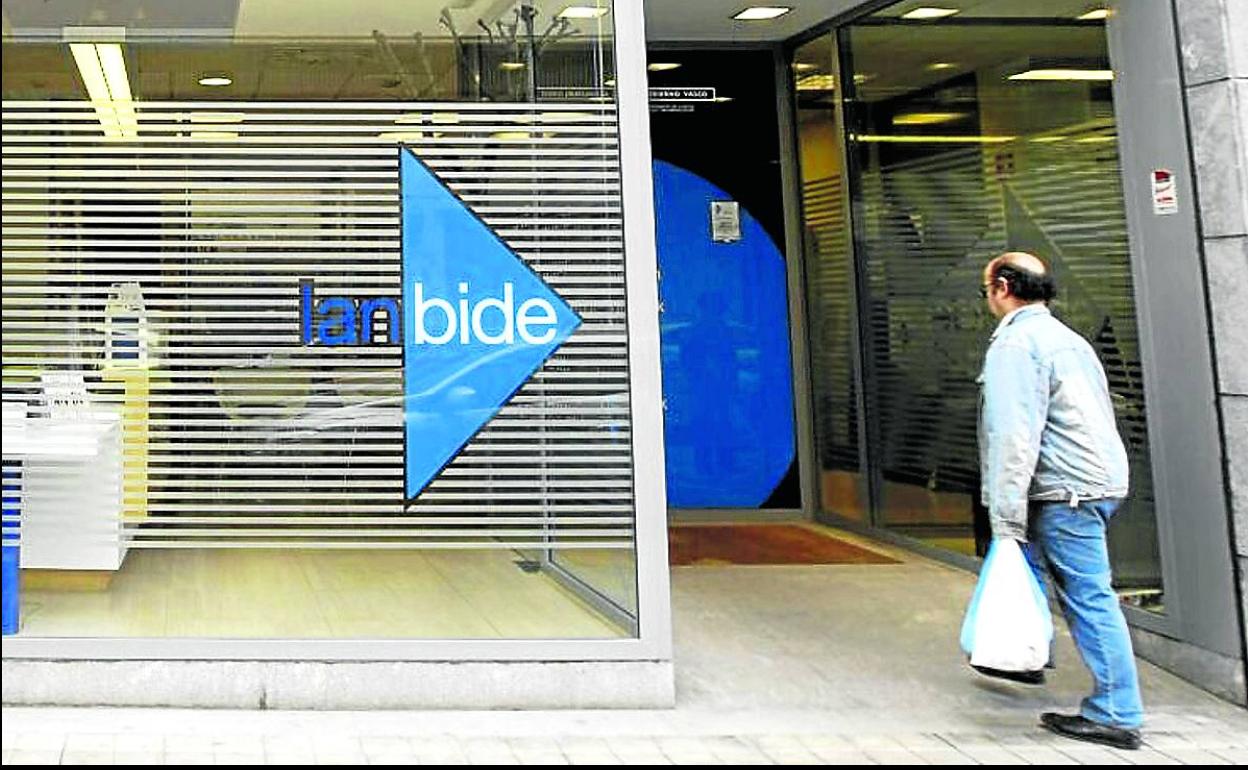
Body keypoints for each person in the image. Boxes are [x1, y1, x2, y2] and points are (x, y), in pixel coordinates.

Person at [977, 252, 1144, 751]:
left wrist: (1004, 518)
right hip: (1093, 482)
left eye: (985, 290)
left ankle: (1116, 711)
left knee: (1089, 596)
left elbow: (1014, 435)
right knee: (1040, 575)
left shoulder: (1016, 344)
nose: (987, 299)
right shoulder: (1067, 339)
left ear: (1003, 287)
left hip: (1064, 491)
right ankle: (1022, 656)